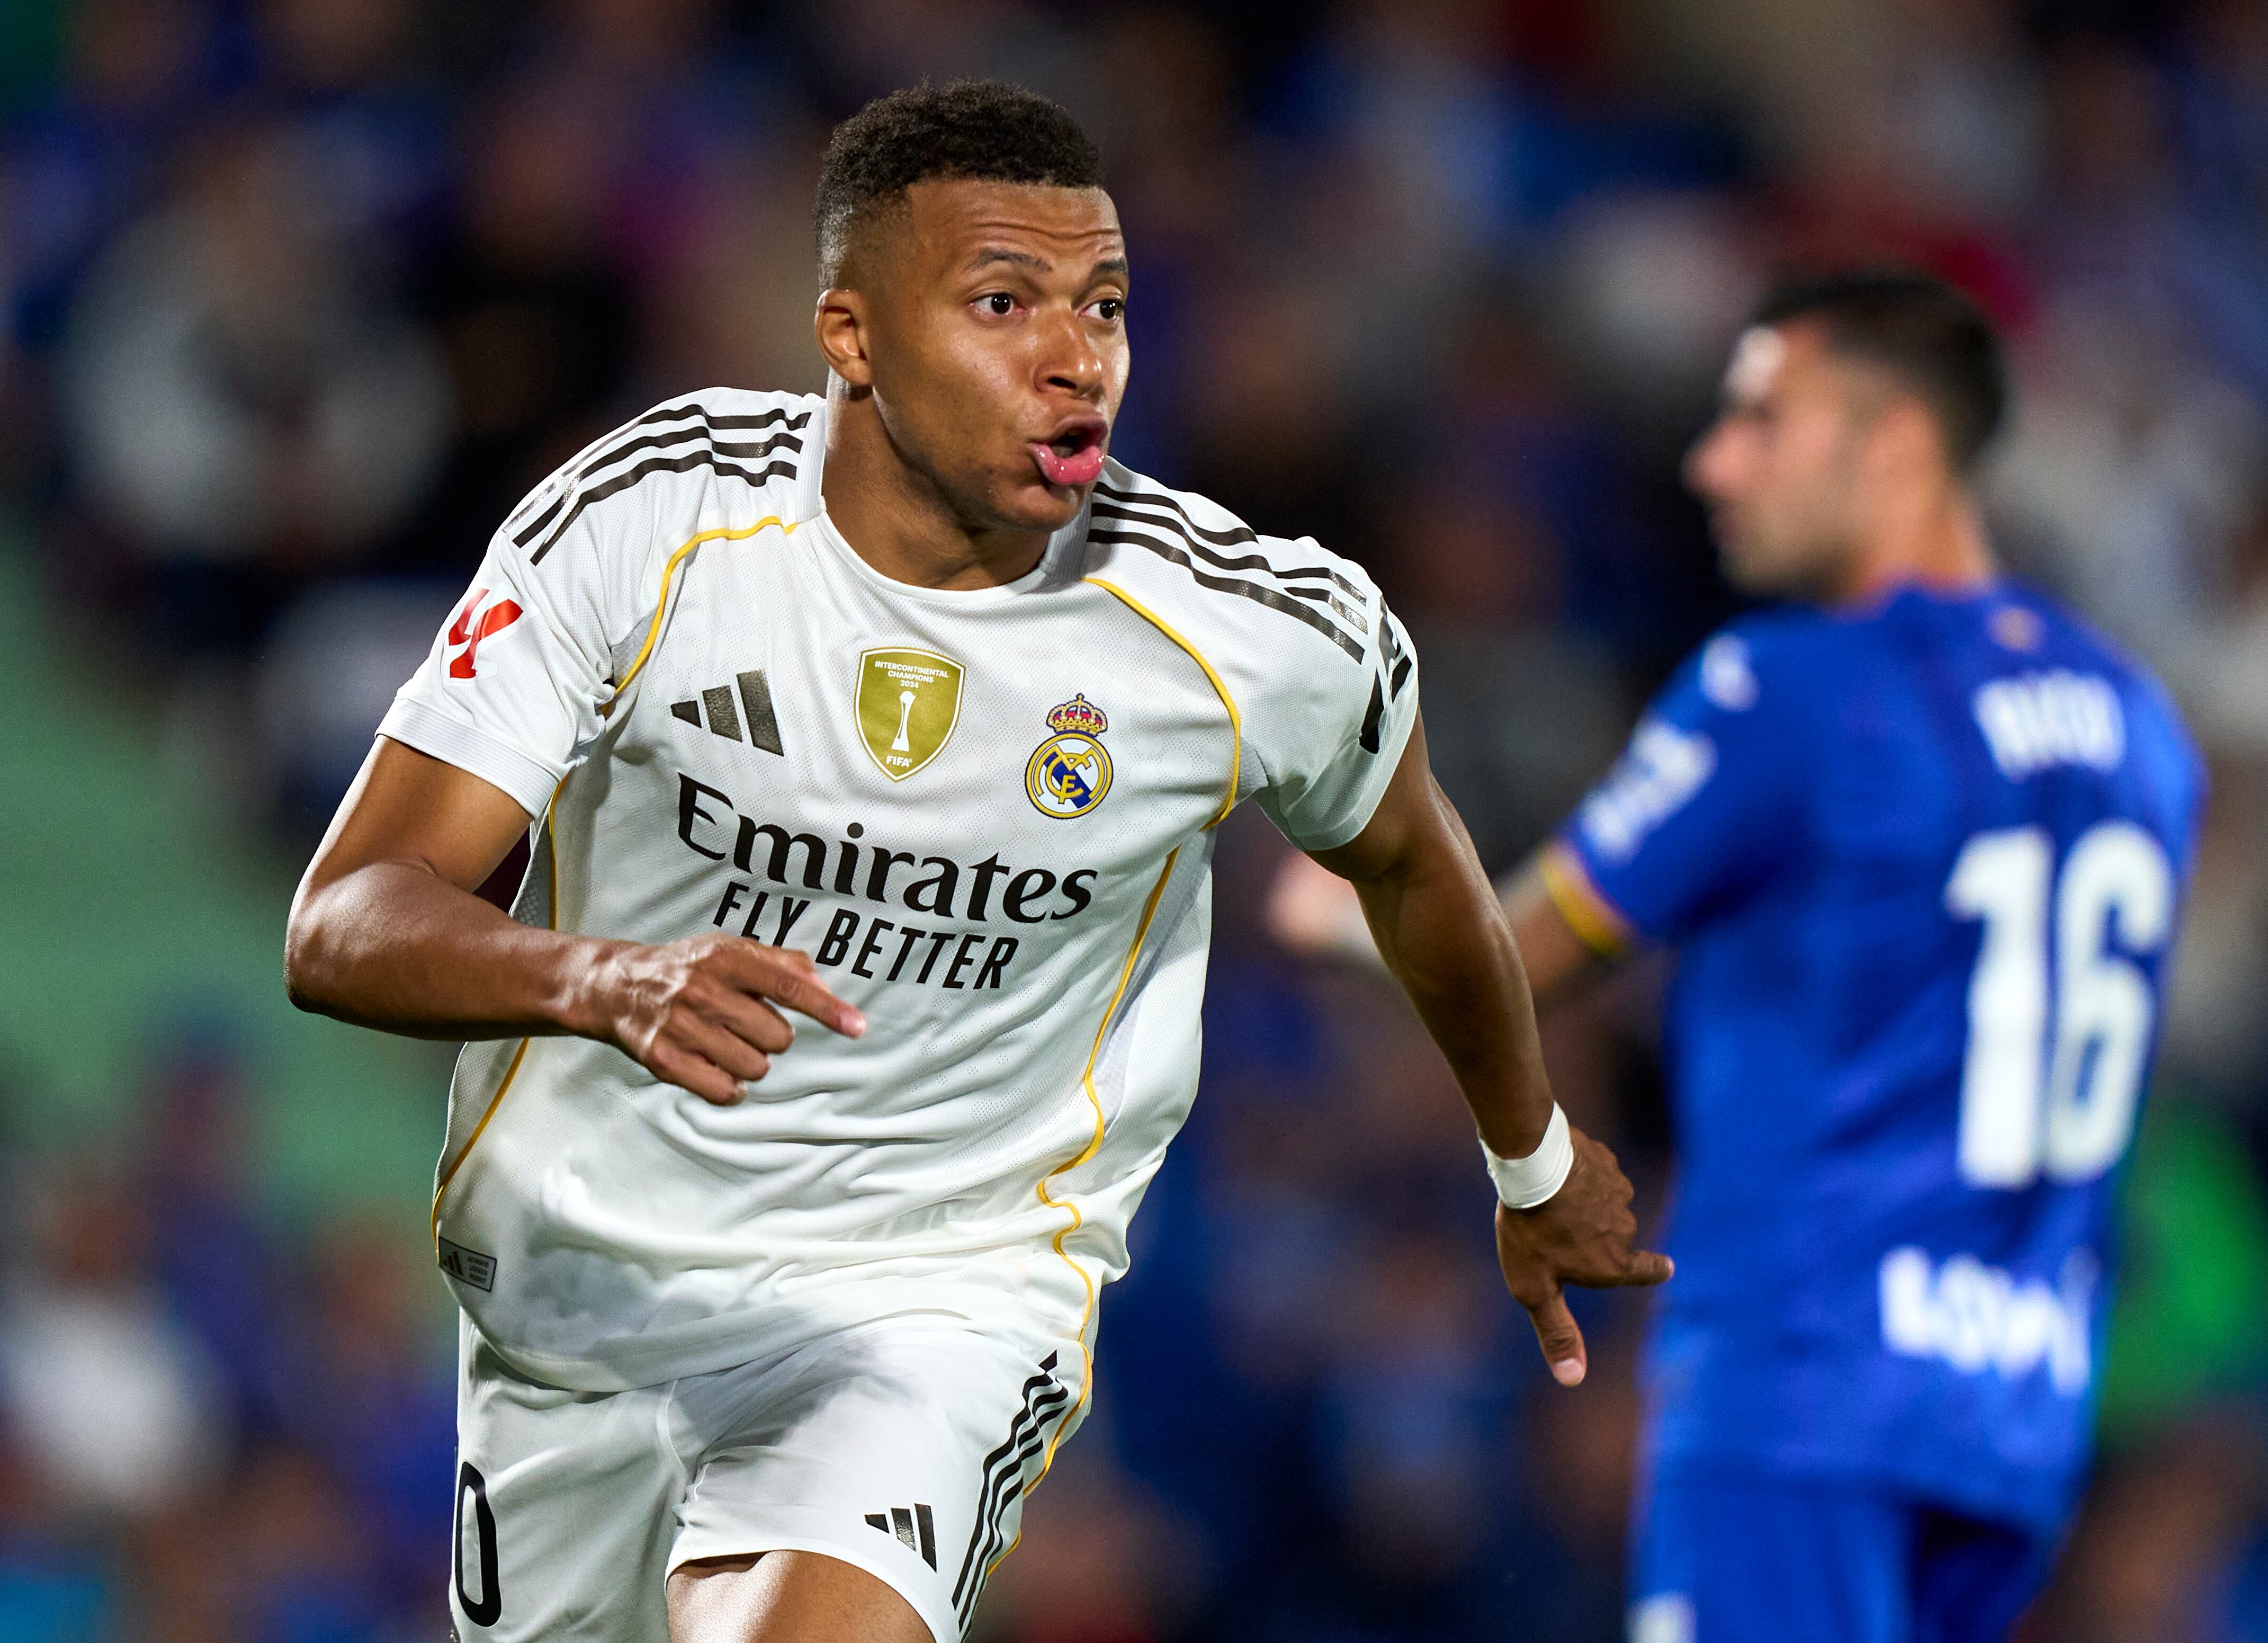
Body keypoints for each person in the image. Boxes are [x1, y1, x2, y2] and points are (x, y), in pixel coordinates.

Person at [283, 81, 1668, 1643]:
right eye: (1003, 303)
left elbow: (1420, 868)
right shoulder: (649, 524)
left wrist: (1531, 1161)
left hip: (939, 1295)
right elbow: (345, 920)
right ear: (852, 339)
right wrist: (594, 974)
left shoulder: (1251, 632)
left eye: (1107, 306)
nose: (1074, 357)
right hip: (584, 1303)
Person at [1493, 270, 2206, 1642]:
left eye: (1765, 420)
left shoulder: (1798, 689)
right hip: (2017, 1406)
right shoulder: (2144, 726)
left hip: (1807, 1375)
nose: (1716, 463)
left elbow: (1517, 950)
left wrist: (1341, 892)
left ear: (1891, 445)